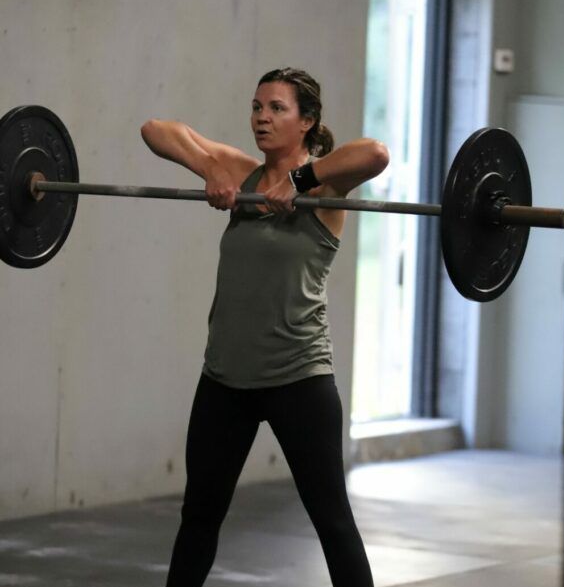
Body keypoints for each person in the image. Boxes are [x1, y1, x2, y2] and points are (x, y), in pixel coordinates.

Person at [141, 67, 389, 587]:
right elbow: (156, 129)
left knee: (333, 524)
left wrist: (301, 181)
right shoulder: (244, 173)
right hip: (225, 379)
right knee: (199, 519)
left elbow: (376, 154)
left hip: (298, 378)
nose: (262, 117)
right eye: (257, 106)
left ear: (307, 121)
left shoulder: (328, 183)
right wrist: (210, 167)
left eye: (277, 108)